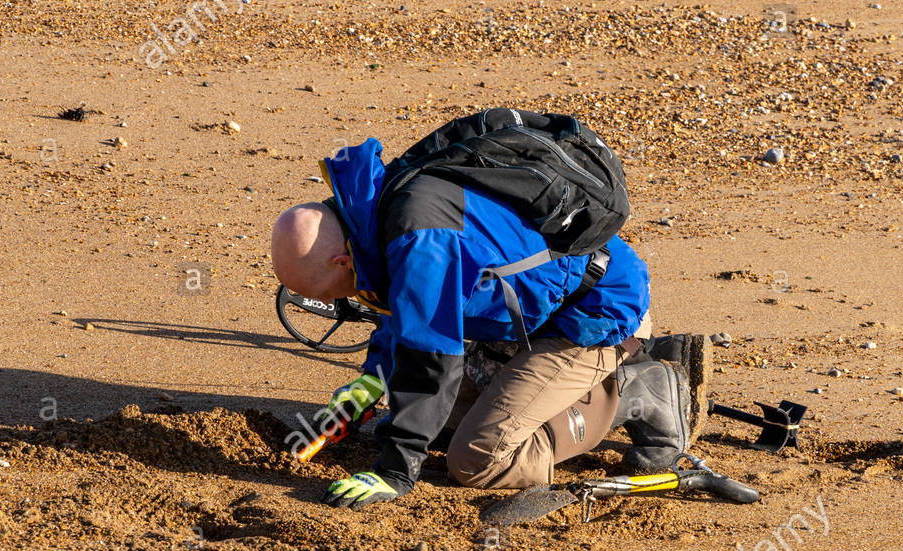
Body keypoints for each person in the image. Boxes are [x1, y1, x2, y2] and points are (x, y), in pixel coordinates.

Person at [270, 111, 710, 508]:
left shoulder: (420, 236)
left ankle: (637, 391)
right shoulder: (376, 212)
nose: (327, 302)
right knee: (437, 427)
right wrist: (372, 380)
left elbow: (429, 359)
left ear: (340, 261)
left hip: (595, 313)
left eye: (322, 291)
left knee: (476, 458)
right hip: (535, 316)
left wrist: (394, 472)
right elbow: (405, 303)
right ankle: (566, 387)